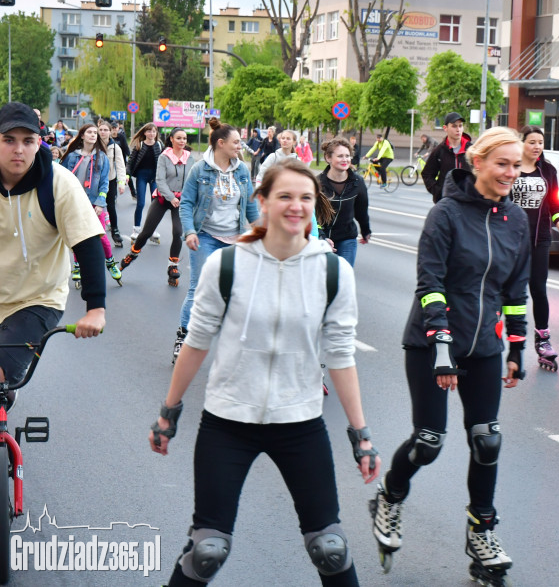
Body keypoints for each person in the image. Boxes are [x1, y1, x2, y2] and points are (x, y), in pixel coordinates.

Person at [149, 159, 380, 587]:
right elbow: (197, 342)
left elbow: (341, 356)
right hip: (227, 423)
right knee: (206, 550)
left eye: (306, 198)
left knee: (330, 549)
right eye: (285, 197)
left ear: (316, 205)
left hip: (300, 424)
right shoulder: (229, 266)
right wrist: (169, 411)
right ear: (263, 202)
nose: (296, 206)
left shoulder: (333, 272)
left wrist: (361, 434)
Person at [370, 127, 530, 585]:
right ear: (476, 162)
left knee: (487, 440)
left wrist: (517, 344)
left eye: (515, 165)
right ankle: (390, 495)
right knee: (430, 440)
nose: (510, 172)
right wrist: (441, 345)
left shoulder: (515, 220)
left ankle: (482, 531)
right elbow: (430, 283)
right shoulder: (446, 214)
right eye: (502, 163)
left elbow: (514, 290)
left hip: (483, 346)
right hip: (430, 342)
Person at [0, 102, 106, 404]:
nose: (19, 149)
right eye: (9, 140)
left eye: (28, 141)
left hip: (38, 297)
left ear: (39, 144)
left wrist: (96, 308)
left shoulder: (59, 184)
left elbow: (87, 244)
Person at [175, 118, 260, 361]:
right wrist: (190, 231)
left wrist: (263, 233)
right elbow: (187, 204)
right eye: (236, 142)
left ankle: (232, 344)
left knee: (235, 292)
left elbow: (250, 208)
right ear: (221, 143)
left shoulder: (242, 170)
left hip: (235, 239)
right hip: (205, 236)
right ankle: (184, 336)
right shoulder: (199, 170)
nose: (240, 146)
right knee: (199, 289)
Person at [509, 125, 559, 371]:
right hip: (510, 240)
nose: (536, 147)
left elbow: (555, 205)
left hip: (539, 238)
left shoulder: (548, 171)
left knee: (538, 289)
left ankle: (543, 341)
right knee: (506, 290)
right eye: (531, 142)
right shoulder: (511, 168)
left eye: (540, 143)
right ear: (521, 143)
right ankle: (492, 334)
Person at [119, 127, 196, 287]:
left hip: (180, 201)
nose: (182, 141)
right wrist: (171, 197)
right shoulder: (164, 157)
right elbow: (159, 181)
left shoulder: (190, 158)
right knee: (146, 233)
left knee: (178, 232)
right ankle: (132, 254)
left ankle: (173, 267)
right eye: (179, 138)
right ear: (172, 140)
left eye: (185, 138)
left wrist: (186, 197)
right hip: (163, 198)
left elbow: (191, 180)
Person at [59, 124, 122, 284]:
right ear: (82, 135)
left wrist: (101, 203)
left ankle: (110, 261)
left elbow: (104, 183)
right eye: (90, 132)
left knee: (100, 236)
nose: (94, 135)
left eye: (95, 132)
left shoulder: (102, 157)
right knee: (76, 235)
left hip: (94, 203)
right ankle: (78, 265)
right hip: (74, 202)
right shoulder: (72, 156)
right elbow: (61, 176)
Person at [317, 138, 370, 267]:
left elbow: (361, 210)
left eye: (347, 156)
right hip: (321, 239)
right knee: (324, 280)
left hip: (347, 238)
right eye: (340, 156)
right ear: (328, 158)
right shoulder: (317, 183)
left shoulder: (357, 183)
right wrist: (321, 236)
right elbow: (312, 216)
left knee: (344, 276)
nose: (345, 159)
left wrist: (366, 231)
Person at [127, 122, 164, 245]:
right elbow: (131, 161)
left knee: (155, 204)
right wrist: (127, 174)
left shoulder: (159, 144)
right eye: (149, 131)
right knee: (141, 203)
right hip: (142, 176)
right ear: (145, 133)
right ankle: (136, 230)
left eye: (154, 131)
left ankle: (152, 230)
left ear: (156, 133)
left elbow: (165, 161)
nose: (151, 133)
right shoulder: (140, 145)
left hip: (155, 177)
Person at [422, 112, 471, 203]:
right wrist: (439, 193)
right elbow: (427, 174)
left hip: (467, 204)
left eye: (460, 126)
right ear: (445, 128)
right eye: (454, 126)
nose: (458, 129)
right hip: (446, 203)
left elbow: (481, 174)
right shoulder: (439, 151)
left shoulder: (471, 150)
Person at [97, 120, 127, 248]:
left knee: (110, 206)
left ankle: (115, 231)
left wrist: (121, 183)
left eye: (105, 130)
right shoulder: (93, 144)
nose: (103, 132)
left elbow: (120, 166)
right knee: (93, 206)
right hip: (94, 182)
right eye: (101, 129)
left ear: (110, 132)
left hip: (110, 181)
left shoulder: (115, 147)